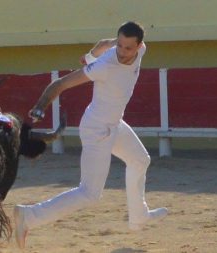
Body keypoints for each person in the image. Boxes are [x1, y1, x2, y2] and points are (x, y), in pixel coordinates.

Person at [14, 21, 168, 249]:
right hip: (97, 130)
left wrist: (89, 55)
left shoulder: (138, 50)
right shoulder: (104, 66)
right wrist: (40, 105)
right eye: (121, 46)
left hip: (115, 124)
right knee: (89, 194)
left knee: (140, 160)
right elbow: (61, 83)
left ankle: (138, 217)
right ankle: (29, 216)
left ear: (139, 46)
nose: (123, 52)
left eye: (128, 48)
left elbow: (106, 43)